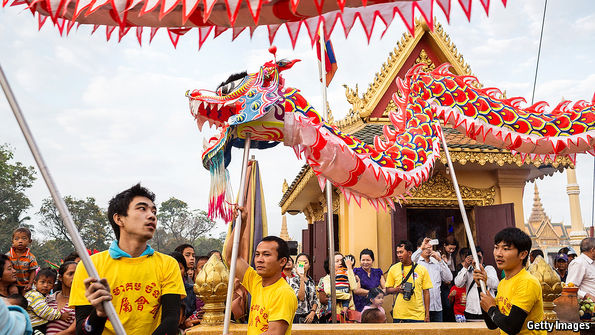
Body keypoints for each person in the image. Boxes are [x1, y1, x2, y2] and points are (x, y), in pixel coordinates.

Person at [69, 184, 186, 335]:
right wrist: (99, 314)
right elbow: (83, 331)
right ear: (119, 219)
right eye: (142, 208)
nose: (152, 216)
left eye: (154, 211)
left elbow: (171, 320)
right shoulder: (90, 266)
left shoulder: (168, 264)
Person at [224, 206, 297, 335]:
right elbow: (231, 257)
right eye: (257, 254)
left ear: (282, 261)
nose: (259, 259)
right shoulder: (256, 281)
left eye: (266, 255)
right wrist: (242, 223)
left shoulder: (283, 293)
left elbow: (274, 333)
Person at [477, 227, 545, 335]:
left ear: (522, 254)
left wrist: (491, 308)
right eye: (496, 247)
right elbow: (492, 324)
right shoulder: (503, 283)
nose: (498, 253)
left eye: (506, 249)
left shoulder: (527, 282)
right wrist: (481, 286)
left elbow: (512, 327)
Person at [385, 240, 432, 323]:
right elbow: (387, 289)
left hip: (418, 315)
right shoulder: (393, 269)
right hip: (399, 315)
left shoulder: (422, 269)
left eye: (401, 252)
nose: (399, 255)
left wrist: (427, 314)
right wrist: (398, 290)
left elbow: (426, 292)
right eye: (397, 252)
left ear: (410, 253)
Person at [412, 238, 453, 322]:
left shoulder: (436, 262)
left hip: (437, 307)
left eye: (430, 247)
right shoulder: (416, 262)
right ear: (419, 248)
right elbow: (411, 260)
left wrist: (440, 260)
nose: (428, 249)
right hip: (421, 308)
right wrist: (421, 248)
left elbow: (449, 278)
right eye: (426, 247)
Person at [454, 247, 498, 321]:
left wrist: (484, 277)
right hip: (471, 311)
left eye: (479, 257)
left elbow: (496, 285)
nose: (477, 259)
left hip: (488, 310)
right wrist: (465, 266)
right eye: (475, 257)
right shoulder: (467, 271)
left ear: (483, 258)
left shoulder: (489, 269)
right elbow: (458, 283)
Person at [25, 268, 70, 334]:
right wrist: (60, 315)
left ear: (53, 286)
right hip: (34, 327)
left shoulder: (41, 296)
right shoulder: (35, 295)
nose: (45, 285)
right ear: (35, 283)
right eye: (42, 282)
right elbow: (44, 311)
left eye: (49, 283)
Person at [45, 261, 77, 335]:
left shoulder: (79, 301)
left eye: (77, 274)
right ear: (60, 277)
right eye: (71, 274)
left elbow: (72, 330)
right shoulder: (48, 299)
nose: (75, 277)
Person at [6, 227, 39, 293]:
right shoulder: (8, 256)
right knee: (13, 291)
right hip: (12, 284)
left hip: (25, 284)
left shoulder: (31, 257)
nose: (20, 241)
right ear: (12, 241)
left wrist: (30, 284)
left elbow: (33, 271)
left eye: (24, 238)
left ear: (30, 241)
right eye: (16, 239)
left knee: (25, 296)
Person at [288, 253, 319, 323]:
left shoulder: (311, 281)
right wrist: (301, 278)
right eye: (299, 262)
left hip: (311, 317)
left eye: (305, 262)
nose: (302, 265)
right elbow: (301, 297)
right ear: (296, 265)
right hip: (298, 317)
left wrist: (313, 312)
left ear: (309, 265)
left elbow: (315, 299)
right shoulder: (292, 280)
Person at [169, 251, 197, 322]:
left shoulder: (193, 290)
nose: (175, 271)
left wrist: (189, 320)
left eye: (179, 268)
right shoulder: (161, 290)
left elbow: (198, 311)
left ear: (185, 271)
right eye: (171, 268)